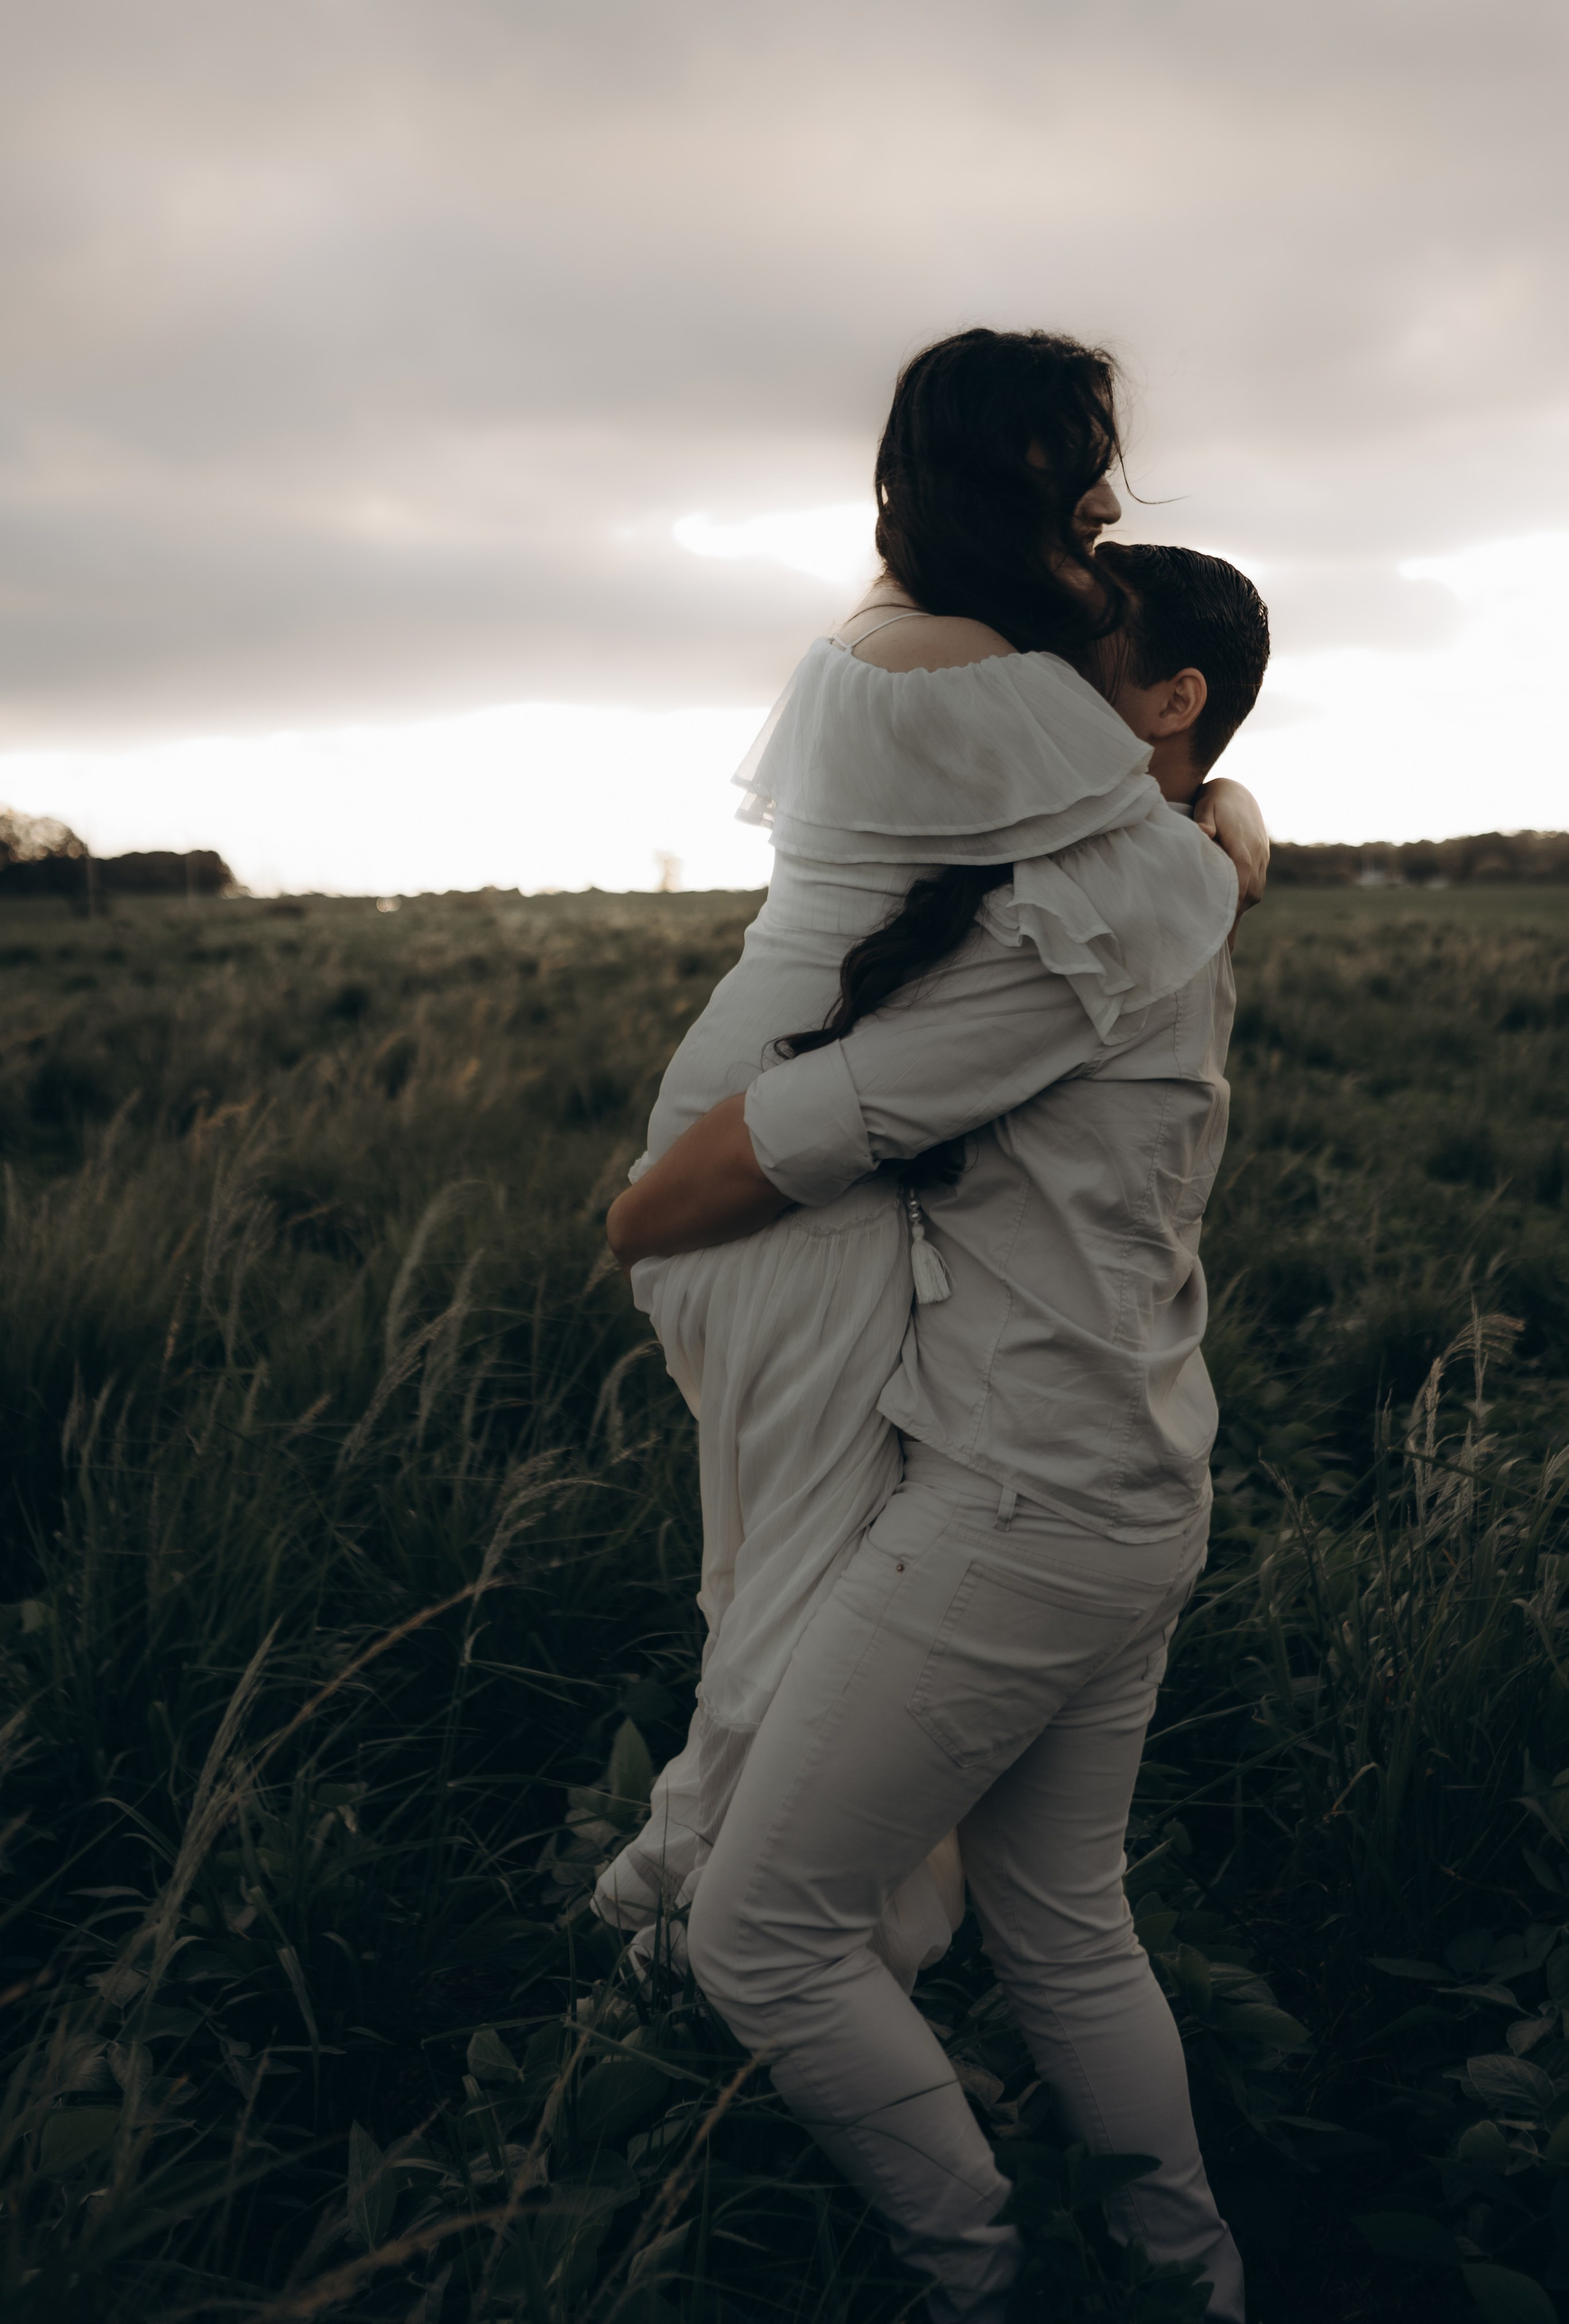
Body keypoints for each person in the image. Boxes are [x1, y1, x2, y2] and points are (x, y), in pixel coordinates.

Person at [605, 538, 1271, 2322]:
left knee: (760, 1936)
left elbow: (788, 1138)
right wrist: (1225, 816)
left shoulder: (1086, 941)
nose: (1029, 691)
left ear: (1169, 705)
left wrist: (641, 1215)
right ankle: (1188, 2287)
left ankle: (976, 2275)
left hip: (1016, 1505)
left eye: (1079, 657)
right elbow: (1185, 837)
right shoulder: (1160, 888)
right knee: (1066, 1926)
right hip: (1132, 1485)